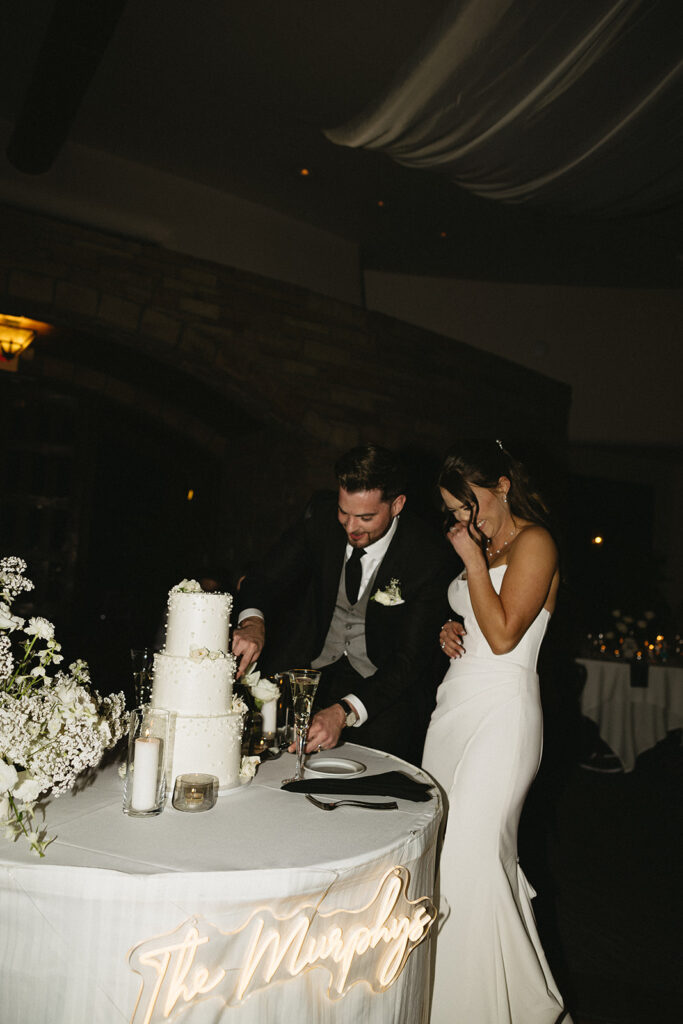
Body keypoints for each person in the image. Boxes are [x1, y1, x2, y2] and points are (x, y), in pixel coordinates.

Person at [422, 440, 572, 1024]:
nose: (465, 519)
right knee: (442, 851)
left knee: (476, 855)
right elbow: (481, 619)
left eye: (471, 504)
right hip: (455, 707)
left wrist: (473, 565)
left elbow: (507, 635)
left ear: (503, 486)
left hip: (503, 714)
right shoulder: (485, 546)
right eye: (453, 511)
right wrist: (451, 628)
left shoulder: (536, 542)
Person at [233, 443, 459, 765]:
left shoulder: (427, 555)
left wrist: (344, 712)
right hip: (307, 676)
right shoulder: (321, 519)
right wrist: (253, 622)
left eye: (365, 517)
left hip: (381, 693)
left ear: (397, 505)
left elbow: (409, 660)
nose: (351, 527)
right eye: (344, 512)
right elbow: (263, 579)